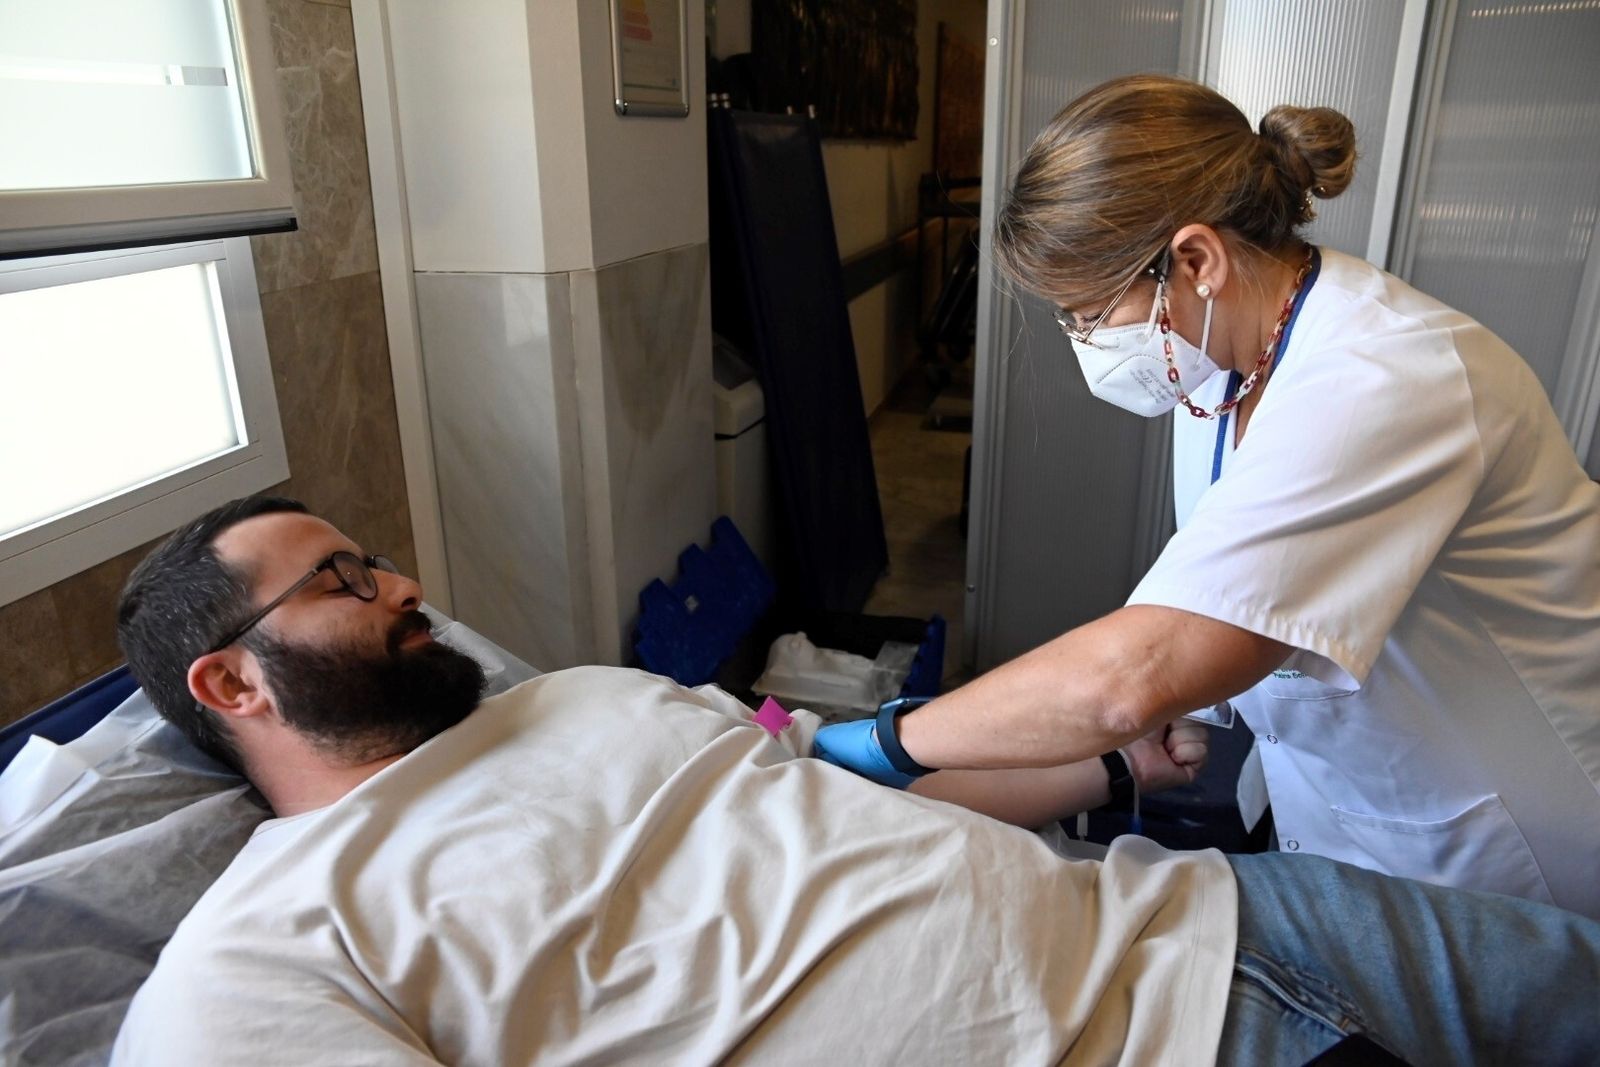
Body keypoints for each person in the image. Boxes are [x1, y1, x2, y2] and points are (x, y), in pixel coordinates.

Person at [106, 496, 1600, 1065]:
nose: (406, 582)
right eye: (345, 578)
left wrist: (1102, 760)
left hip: (1229, 921)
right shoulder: (265, 951)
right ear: (232, 681)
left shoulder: (584, 696)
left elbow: (856, 785)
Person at [813, 74, 1600, 920]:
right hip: (1354, 816)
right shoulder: (1223, 374)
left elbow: (1133, 675)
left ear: (1195, 260)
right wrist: (1137, 736)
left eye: (1087, 312)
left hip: (1514, 849)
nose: (1085, 342)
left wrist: (891, 737)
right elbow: (1229, 607)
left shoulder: (1386, 378)